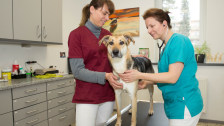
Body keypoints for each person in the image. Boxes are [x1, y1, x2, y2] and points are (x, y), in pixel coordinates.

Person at [119, 8, 203, 126]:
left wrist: (139, 74)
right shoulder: (166, 47)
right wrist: (147, 82)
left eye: (152, 26)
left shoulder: (178, 41)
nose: (149, 30)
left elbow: (172, 77)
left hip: (184, 105)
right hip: (174, 105)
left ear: (164, 23)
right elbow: (165, 77)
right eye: (147, 27)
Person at [68, 0, 123, 126]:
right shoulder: (76, 35)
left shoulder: (108, 35)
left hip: (107, 94)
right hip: (87, 95)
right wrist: (105, 76)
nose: (107, 18)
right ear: (92, 9)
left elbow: (115, 58)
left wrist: (134, 59)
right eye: (104, 13)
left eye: (108, 15)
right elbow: (77, 71)